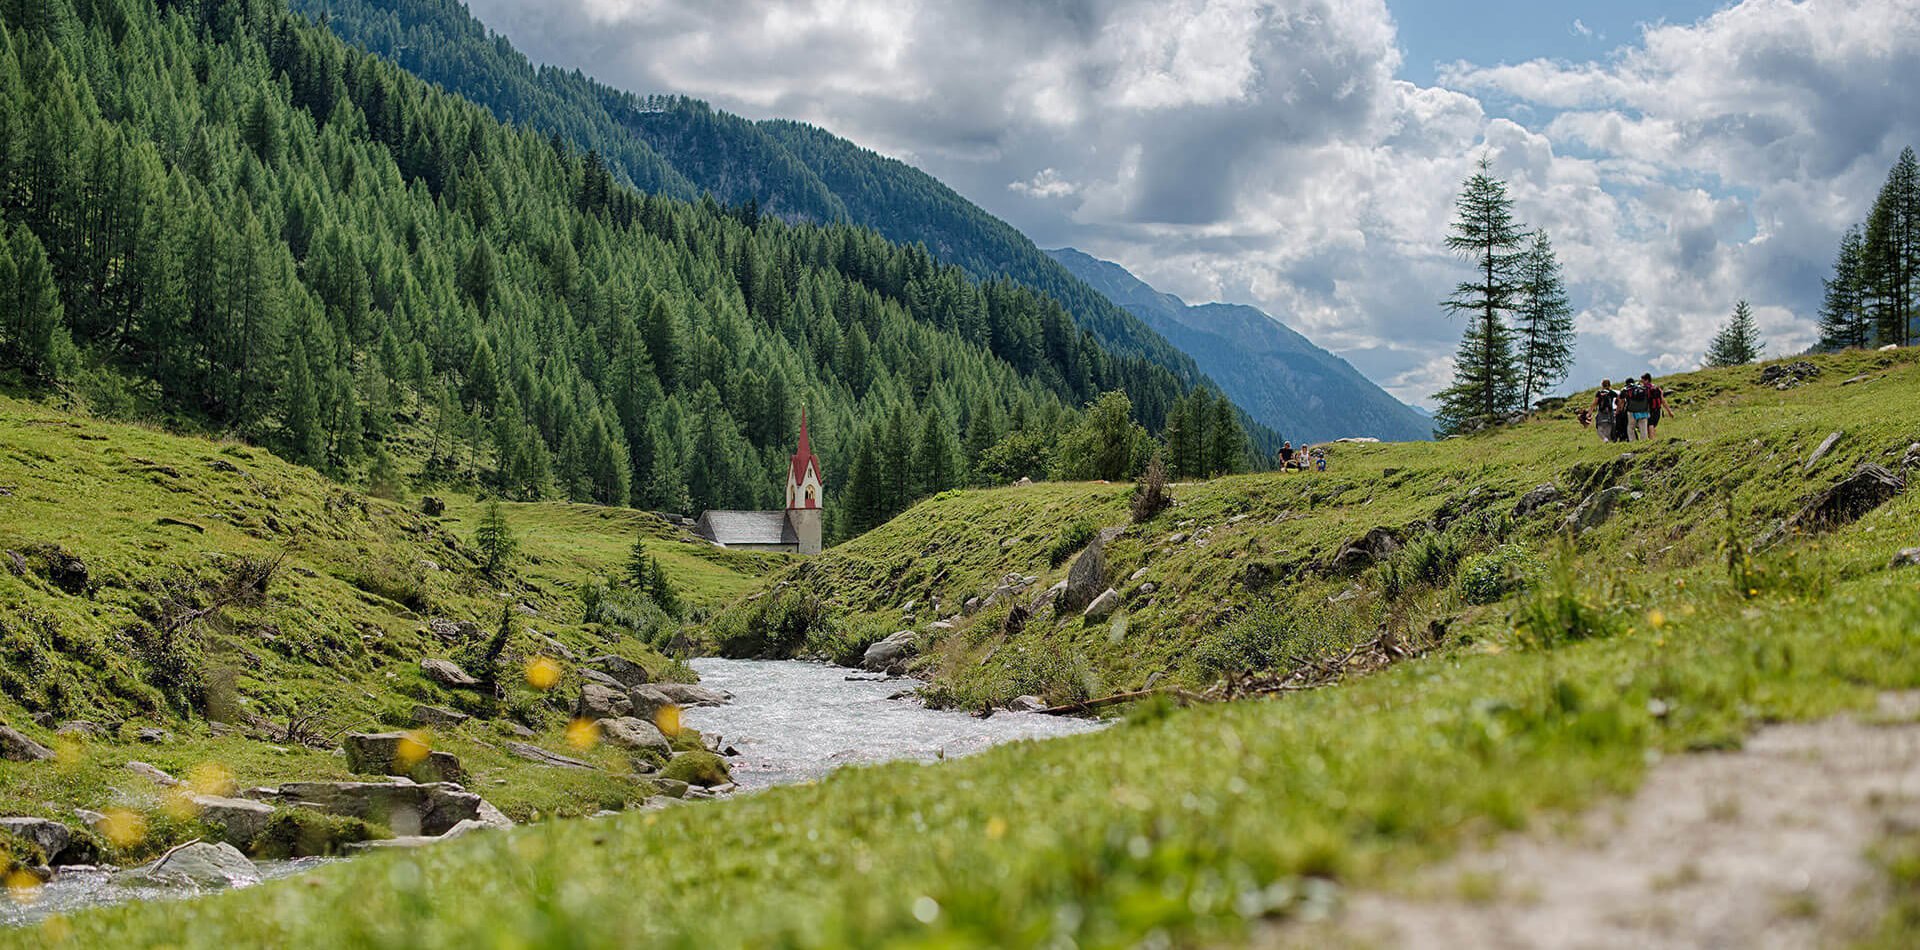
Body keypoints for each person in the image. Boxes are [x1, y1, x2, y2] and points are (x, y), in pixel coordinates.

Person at [1620, 374, 1652, 441]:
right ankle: (1644, 440)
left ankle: (1633, 441)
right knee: (1643, 426)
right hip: (1644, 410)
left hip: (1632, 411)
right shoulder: (1642, 387)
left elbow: (1622, 401)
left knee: (1631, 427)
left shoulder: (1627, 389)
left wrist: (1621, 410)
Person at [1642, 373, 1674, 438]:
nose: (1642, 383)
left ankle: (1652, 440)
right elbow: (1663, 401)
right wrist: (1669, 411)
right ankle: (1653, 438)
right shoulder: (1657, 388)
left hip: (1649, 409)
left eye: (1643, 381)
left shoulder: (1645, 389)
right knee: (1653, 425)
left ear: (1647, 380)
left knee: (1650, 425)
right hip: (1657, 409)